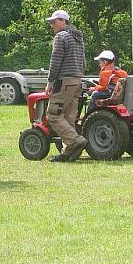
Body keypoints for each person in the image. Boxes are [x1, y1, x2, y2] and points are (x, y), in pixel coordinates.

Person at [44, 9, 88, 162]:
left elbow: (55, 62)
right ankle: (67, 152)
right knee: (69, 117)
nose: (52, 25)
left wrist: (50, 82)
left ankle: (75, 141)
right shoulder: (78, 38)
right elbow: (84, 62)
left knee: (53, 115)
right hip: (77, 81)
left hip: (64, 81)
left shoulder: (61, 37)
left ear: (63, 21)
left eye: (54, 22)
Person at [84, 50, 127, 116]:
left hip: (109, 94)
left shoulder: (106, 72)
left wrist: (93, 88)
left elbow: (103, 87)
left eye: (100, 62)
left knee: (94, 94)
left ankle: (89, 115)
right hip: (117, 94)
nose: (99, 64)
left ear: (105, 62)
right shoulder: (118, 70)